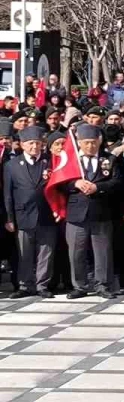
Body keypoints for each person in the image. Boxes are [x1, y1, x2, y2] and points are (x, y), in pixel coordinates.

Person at [65, 123, 124, 299]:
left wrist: (97, 187)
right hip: (77, 213)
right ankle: (79, 285)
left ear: (99, 141)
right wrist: (74, 183)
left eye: (93, 142)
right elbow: (59, 181)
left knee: (103, 252)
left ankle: (103, 285)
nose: (90, 146)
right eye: (86, 142)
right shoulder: (72, 160)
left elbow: (117, 182)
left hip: (101, 212)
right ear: (79, 142)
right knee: (76, 252)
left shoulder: (110, 159)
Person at [4, 126, 57, 297]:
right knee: (24, 253)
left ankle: (42, 285)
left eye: (37, 143)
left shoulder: (49, 162)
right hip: (23, 215)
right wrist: (9, 218)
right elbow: (8, 194)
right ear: (22, 145)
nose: (34, 147)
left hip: (46, 214)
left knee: (45, 253)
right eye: (30, 143)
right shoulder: (11, 165)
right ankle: (25, 285)